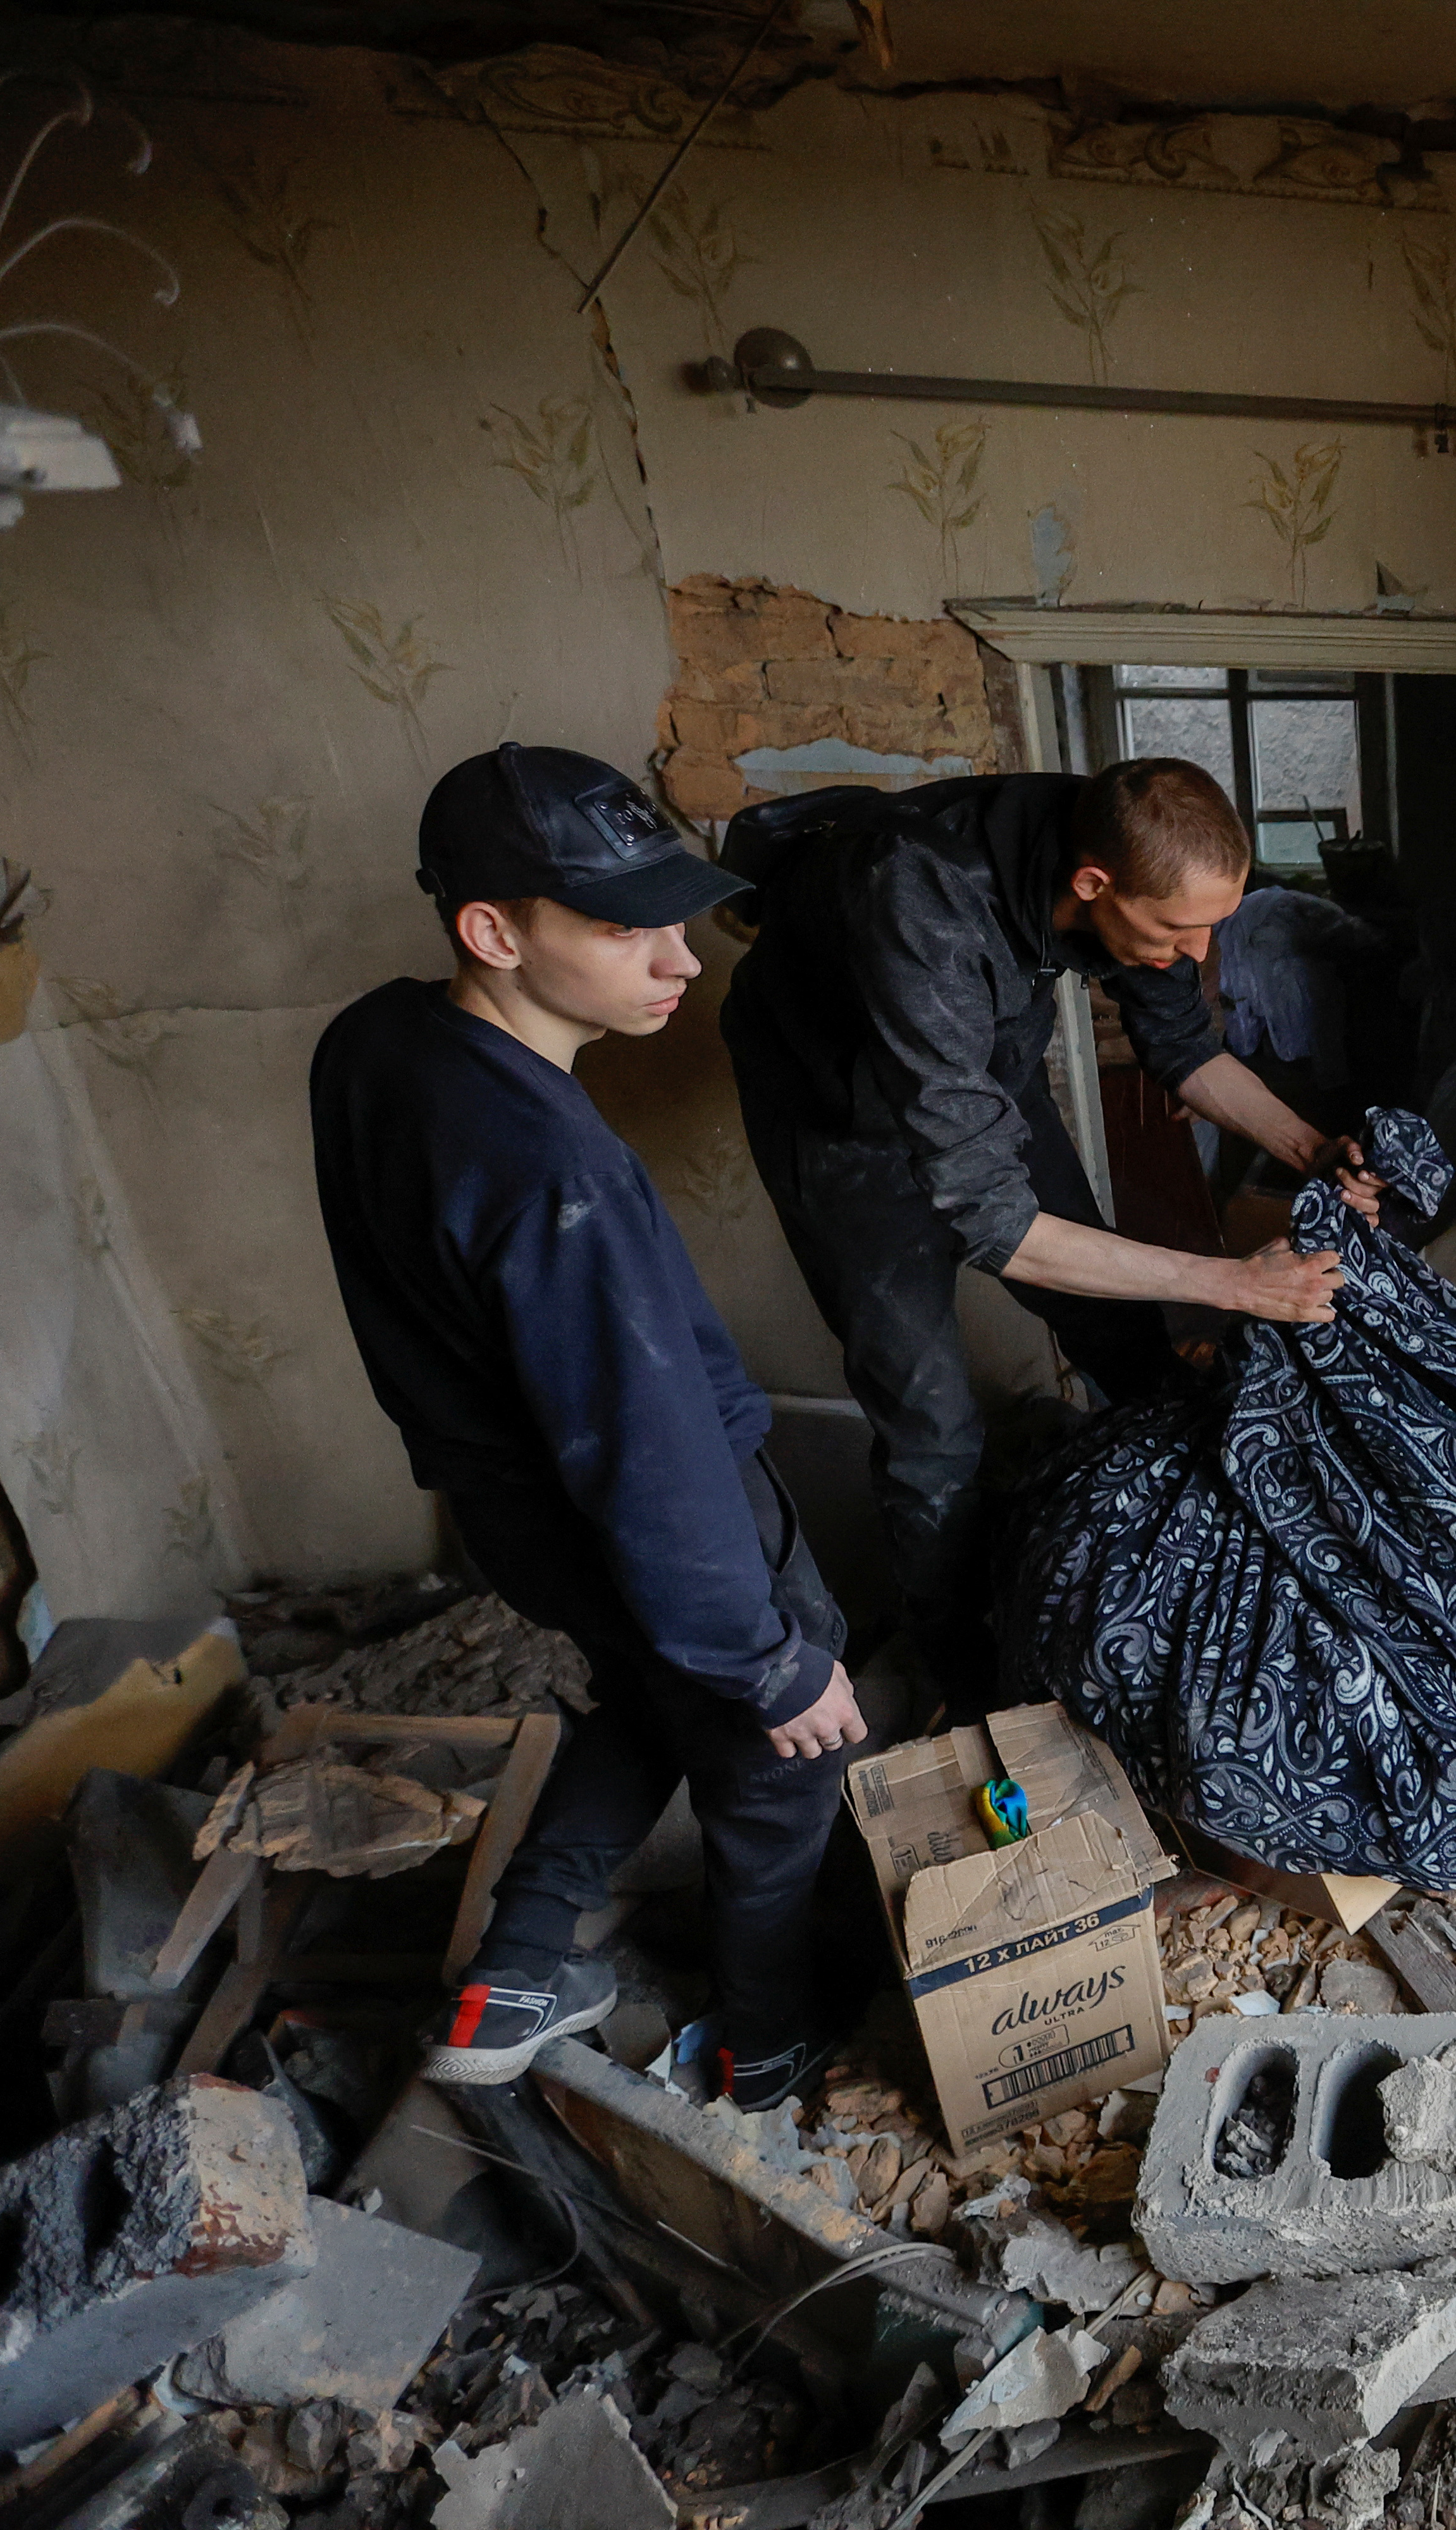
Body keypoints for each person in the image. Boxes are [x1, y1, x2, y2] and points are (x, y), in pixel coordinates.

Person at [310, 744, 868, 2108]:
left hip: (518, 1515)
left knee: (650, 1694)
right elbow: (645, 1444)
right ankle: (768, 2041)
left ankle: (519, 1960)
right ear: (492, 932)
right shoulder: (558, 1173)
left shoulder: (376, 1044)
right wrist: (771, 1659)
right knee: (784, 1762)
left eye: (675, 919)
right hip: (645, 1503)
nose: (679, 963)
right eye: (627, 927)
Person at [718, 760, 1369, 1711]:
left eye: (1211, 929)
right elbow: (999, 1227)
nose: (1194, 954)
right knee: (933, 1429)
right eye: (1175, 932)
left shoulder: (1130, 843)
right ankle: (967, 1680)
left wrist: (1315, 1151)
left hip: (978, 1075)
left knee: (1120, 1337)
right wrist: (1232, 1283)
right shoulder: (919, 888)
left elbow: (1184, 1048)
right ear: (1094, 885)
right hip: (840, 1125)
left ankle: (1190, 1565)